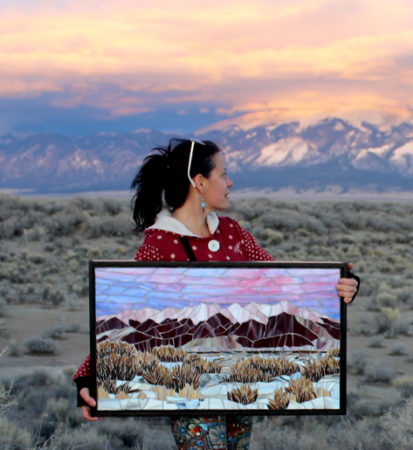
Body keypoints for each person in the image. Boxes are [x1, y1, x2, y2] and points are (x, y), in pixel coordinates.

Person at [72, 138, 359, 449]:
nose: (230, 182)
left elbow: (281, 282)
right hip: (192, 397)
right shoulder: (160, 244)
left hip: (237, 392)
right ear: (199, 182)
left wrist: (338, 286)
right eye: (223, 174)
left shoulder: (232, 232)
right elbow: (122, 322)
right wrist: (90, 379)